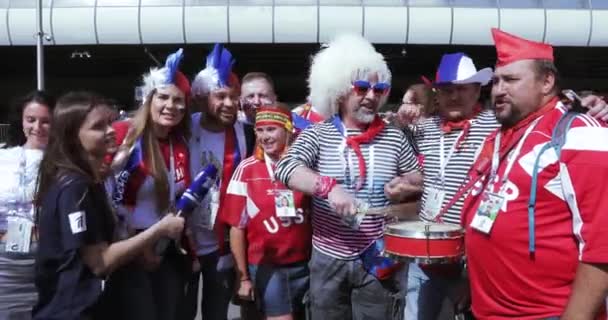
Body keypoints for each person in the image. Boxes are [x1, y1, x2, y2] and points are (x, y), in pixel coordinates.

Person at [459, 28, 608, 319]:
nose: (499, 89)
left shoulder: (580, 134)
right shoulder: (498, 137)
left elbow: (602, 243)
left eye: (512, 79)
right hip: (484, 310)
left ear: (547, 82)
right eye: (496, 81)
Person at [275, 34, 421, 320]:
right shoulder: (319, 133)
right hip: (328, 258)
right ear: (340, 90)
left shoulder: (394, 137)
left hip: (380, 255)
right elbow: (286, 167)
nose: (371, 96)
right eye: (362, 87)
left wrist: (406, 186)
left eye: (379, 89)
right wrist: (328, 188)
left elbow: (417, 178)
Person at [32, 91, 185, 320]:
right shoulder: (75, 187)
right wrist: (160, 230)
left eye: (110, 123)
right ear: (73, 136)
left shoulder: (89, 180)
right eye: (98, 127)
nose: (112, 131)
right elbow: (100, 262)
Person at [109, 48, 193, 320]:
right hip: (128, 246)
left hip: (164, 246)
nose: (172, 106)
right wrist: (138, 244)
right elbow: (106, 192)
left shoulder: (178, 143)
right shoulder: (123, 134)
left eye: (179, 101)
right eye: (164, 97)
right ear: (149, 99)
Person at [181, 43, 256, 320]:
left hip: (223, 242)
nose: (229, 103)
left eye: (234, 96)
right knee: (181, 311)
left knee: (217, 313)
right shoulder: (184, 129)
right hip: (184, 241)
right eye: (220, 96)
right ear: (201, 97)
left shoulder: (247, 134)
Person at [224, 105, 312, 320]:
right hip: (269, 267)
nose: (265, 136)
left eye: (271, 129)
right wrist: (243, 278)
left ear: (288, 130)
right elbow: (237, 226)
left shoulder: (307, 165)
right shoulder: (246, 169)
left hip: (308, 264)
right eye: (260, 130)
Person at [0, 91, 54, 320]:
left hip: (45, 261)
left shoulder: (63, 163)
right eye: (30, 120)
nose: (37, 127)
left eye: (45, 121)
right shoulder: (4, 157)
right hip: (4, 265)